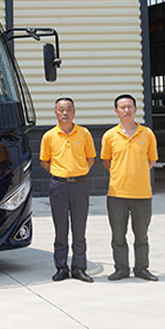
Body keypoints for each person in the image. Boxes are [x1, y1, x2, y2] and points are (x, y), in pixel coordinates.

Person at [101, 93, 159, 281]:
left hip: (142, 193)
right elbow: (107, 162)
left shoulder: (147, 134)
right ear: (116, 111)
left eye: (129, 107)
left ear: (135, 109)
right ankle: (121, 269)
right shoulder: (110, 135)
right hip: (116, 193)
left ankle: (141, 268)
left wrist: (136, 173)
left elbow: (151, 160)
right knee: (118, 235)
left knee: (141, 236)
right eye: (122, 107)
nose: (126, 110)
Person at [39, 97, 96, 283]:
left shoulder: (84, 133)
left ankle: (79, 268)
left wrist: (78, 173)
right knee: (60, 229)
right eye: (61, 109)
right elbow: (44, 161)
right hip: (59, 187)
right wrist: (61, 174)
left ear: (74, 112)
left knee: (79, 229)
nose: (65, 113)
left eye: (69, 109)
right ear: (56, 113)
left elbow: (90, 158)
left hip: (80, 185)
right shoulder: (49, 136)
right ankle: (61, 268)